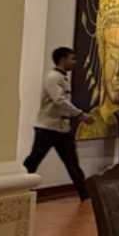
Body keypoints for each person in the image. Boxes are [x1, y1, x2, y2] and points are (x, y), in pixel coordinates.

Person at [25, 46, 90, 200]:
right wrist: (80, 114)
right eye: (72, 59)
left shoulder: (62, 78)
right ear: (62, 59)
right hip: (47, 128)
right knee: (33, 160)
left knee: (72, 162)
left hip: (62, 128)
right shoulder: (53, 77)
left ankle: (85, 195)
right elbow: (59, 100)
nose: (74, 62)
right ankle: (17, 189)